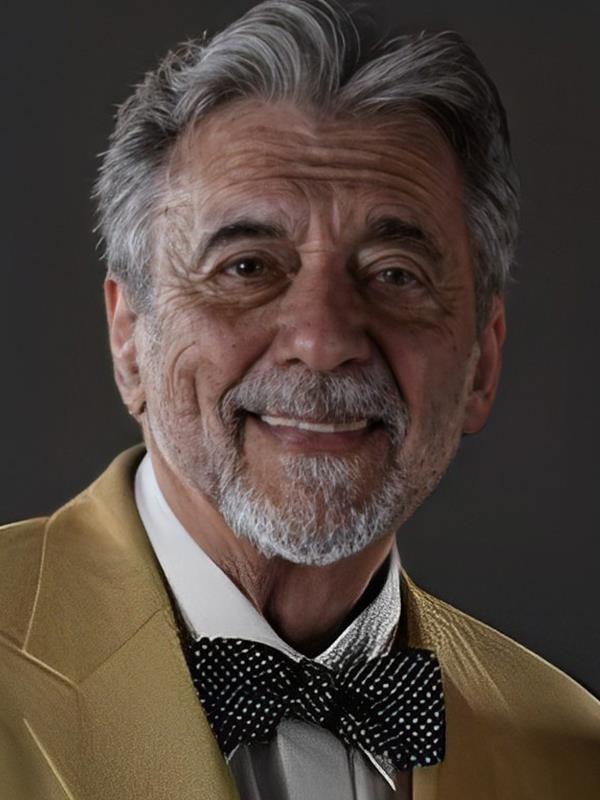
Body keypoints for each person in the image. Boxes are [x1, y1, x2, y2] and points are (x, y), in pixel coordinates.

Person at [1, 1, 598, 797]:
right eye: (248, 267)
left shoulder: (578, 752)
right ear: (129, 337)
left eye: (395, 275)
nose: (322, 339)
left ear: (482, 363)